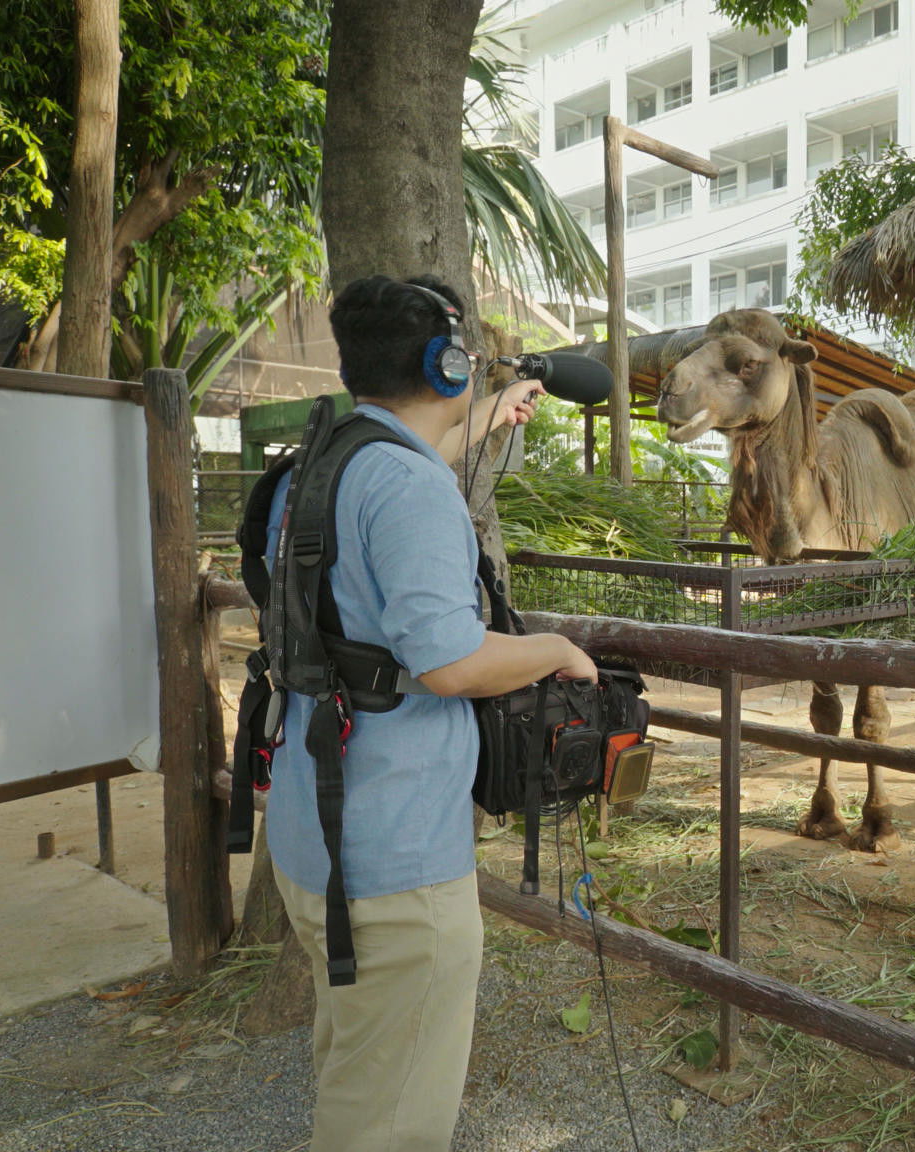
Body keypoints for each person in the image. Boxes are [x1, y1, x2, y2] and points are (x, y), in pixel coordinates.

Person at [264, 275, 597, 1152]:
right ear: (450, 365)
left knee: (360, 1082)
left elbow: (388, 501)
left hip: (316, 842)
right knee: (391, 1123)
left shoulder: (323, 462)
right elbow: (451, 661)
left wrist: (477, 415)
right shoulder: (411, 491)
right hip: (396, 865)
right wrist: (556, 650)